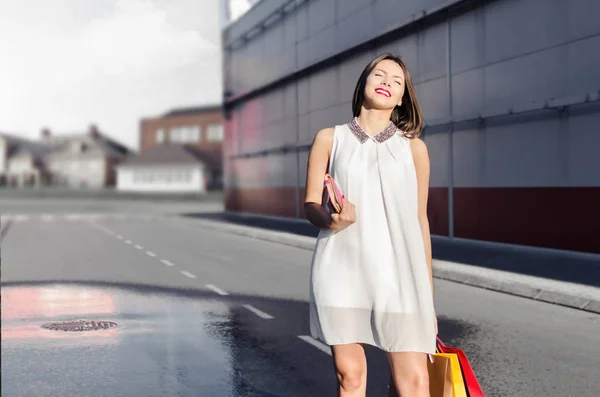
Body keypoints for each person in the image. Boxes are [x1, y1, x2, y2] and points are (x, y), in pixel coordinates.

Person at [303, 53, 437, 397]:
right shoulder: (329, 138)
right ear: (364, 82)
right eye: (380, 75)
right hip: (342, 269)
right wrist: (331, 222)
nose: (387, 83)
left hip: (400, 275)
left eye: (397, 82)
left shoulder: (414, 150)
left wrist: (428, 298)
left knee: (414, 382)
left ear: (402, 97)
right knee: (350, 376)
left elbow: (420, 221)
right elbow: (310, 204)